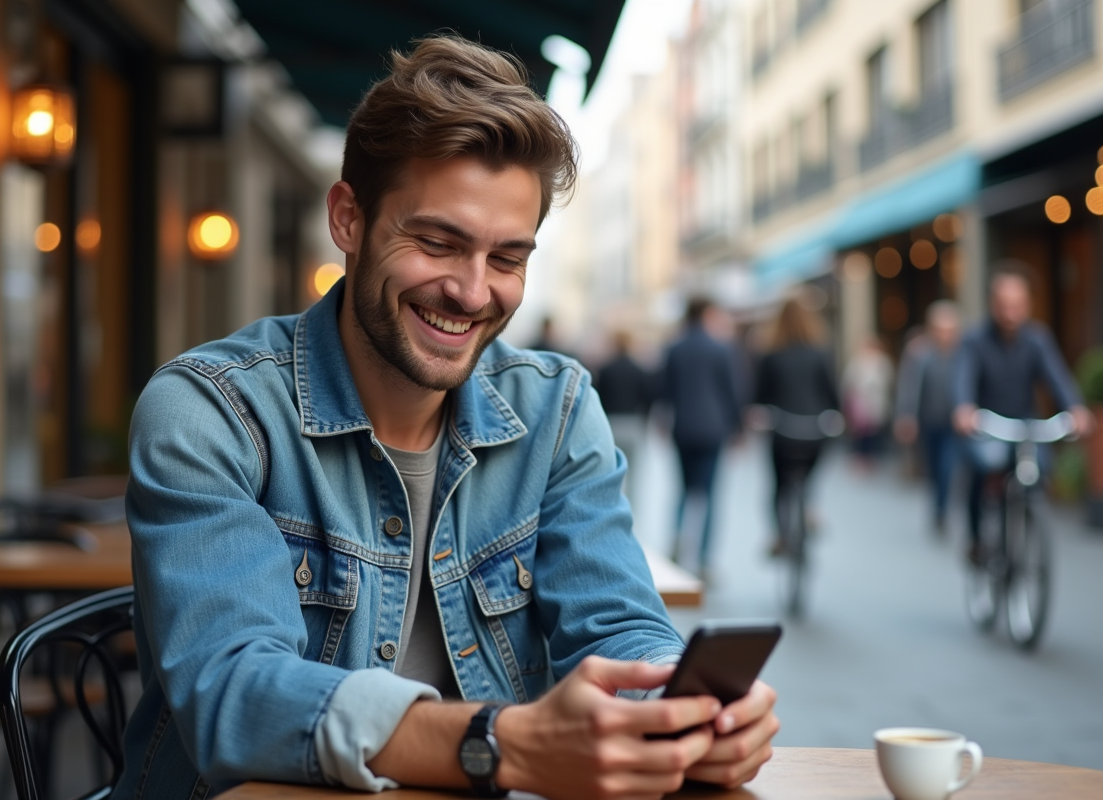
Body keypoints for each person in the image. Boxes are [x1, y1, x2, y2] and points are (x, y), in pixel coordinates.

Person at [114, 36, 777, 800]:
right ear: (349, 220)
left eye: (507, 259)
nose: (471, 291)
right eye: (437, 242)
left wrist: (676, 715)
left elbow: (618, 626)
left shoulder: (555, 410)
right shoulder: (212, 410)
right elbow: (233, 691)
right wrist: (499, 745)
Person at [953, 266, 1092, 564]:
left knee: (1040, 469)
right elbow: (964, 377)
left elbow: (1057, 377)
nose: (1010, 313)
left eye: (1017, 305)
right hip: (987, 423)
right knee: (983, 468)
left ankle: (1026, 524)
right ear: (993, 304)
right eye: (1004, 305)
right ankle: (978, 538)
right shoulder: (974, 341)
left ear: (1028, 304)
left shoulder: (1037, 339)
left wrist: (1076, 408)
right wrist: (964, 408)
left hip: (1026, 423)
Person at [660, 297, 744, 574]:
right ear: (707, 314)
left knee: (684, 490)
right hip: (713, 429)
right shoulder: (720, 348)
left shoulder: (675, 348)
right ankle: (705, 559)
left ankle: (677, 541)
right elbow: (731, 391)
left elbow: (665, 390)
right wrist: (738, 427)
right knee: (709, 494)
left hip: (683, 428)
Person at [753, 297, 839, 556]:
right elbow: (833, 395)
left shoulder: (771, 356)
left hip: (783, 431)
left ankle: (780, 536)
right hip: (814, 432)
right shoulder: (820, 353)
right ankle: (809, 508)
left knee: (779, 486)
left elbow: (759, 397)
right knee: (810, 474)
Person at [894, 301, 962, 535]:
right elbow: (910, 388)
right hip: (929, 422)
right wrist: (906, 416)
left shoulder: (962, 354)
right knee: (933, 469)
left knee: (947, 467)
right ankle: (938, 505)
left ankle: (942, 509)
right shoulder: (921, 353)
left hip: (953, 424)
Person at [594, 330, 654, 509]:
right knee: (634, 472)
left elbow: (599, 398)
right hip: (633, 423)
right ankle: (631, 509)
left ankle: (610, 506)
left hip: (610, 424)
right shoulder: (639, 369)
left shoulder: (605, 370)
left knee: (610, 472)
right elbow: (648, 398)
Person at [842, 335, 893, 469]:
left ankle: (871, 457)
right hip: (860, 404)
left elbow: (887, 381)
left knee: (873, 432)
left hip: (875, 403)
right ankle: (860, 457)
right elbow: (848, 382)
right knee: (859, 432)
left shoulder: (882, 361)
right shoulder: (856, 362)